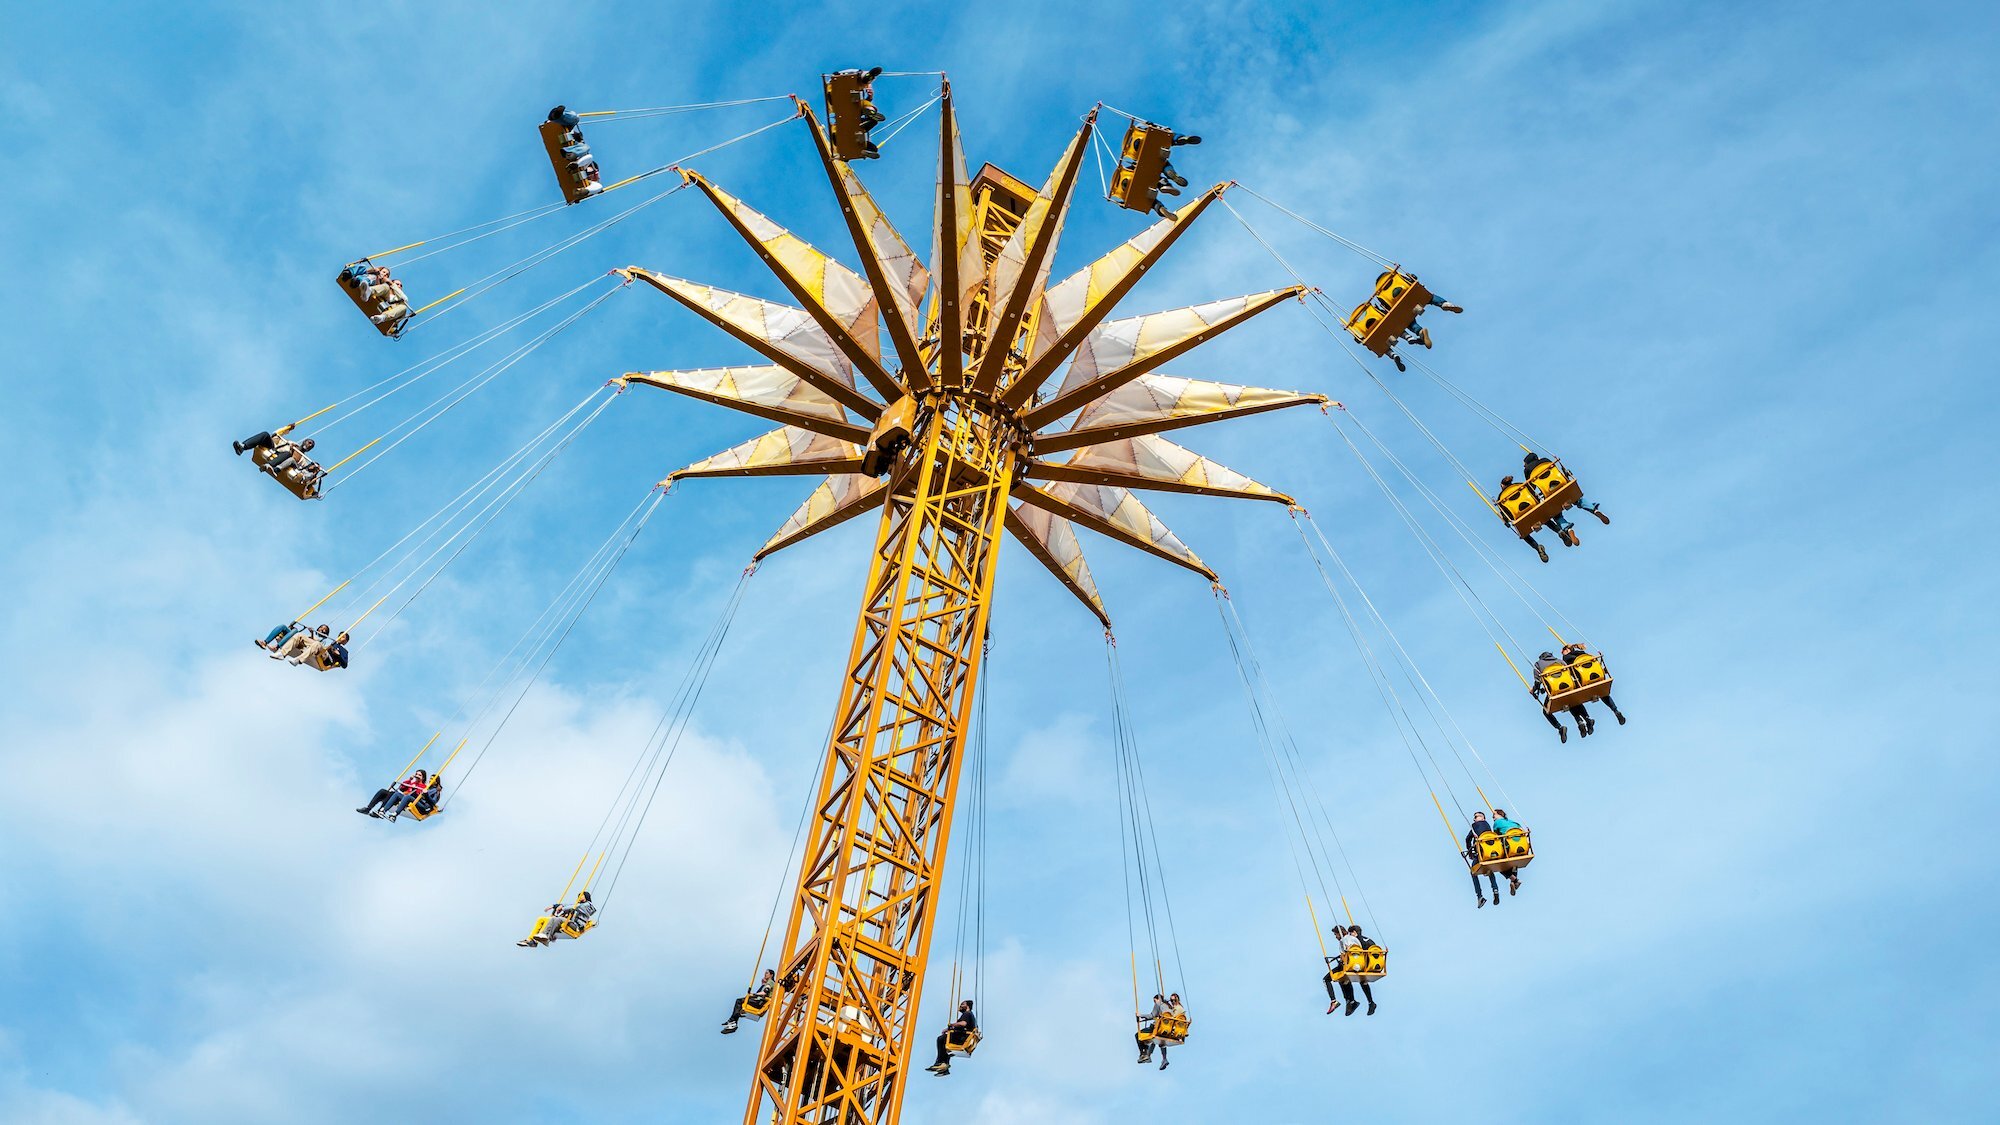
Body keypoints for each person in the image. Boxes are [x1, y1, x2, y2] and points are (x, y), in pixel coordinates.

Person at [1523, 451, 1610, 527]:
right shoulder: (1545, 460)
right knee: (1577, 499)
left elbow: (1531, 486)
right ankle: (1594, 510)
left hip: (1549, 492)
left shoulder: (1527, 469)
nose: (1524, 466)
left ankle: (1567, 529)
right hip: (1562, 485)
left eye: (1525, 464)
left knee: (1556, 514)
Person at [1561, 642, 1626, 726]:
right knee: (1603, 693)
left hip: (1582, 681)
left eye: (1562, 651)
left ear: (1567, 650)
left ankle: (1584, 720)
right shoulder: (1584, 654)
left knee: (1572, 698)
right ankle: (1616, 711)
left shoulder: (1566, 657)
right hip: (1595, 677)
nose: (1562, 653)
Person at [1531, 649, 1588, 740]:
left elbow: (1538, 681)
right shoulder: (1560, 661)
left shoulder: (1538, 664)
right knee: (1573, 701)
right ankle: (1585, 719)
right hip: (1568, 687)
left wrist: (1534, 690)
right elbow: (1570, 673)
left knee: (1546, 711)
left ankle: (1560, 727)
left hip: (1554, 692)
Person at [1324, 925, 1378, 1016]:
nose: (1335, 937)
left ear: (1339, 933)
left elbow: (1344, 955)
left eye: (1335, 934)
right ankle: (1359, 1002)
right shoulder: (1356, 939)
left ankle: (1335, 1001)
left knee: (1328, 979)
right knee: (1355, 979)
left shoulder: (1343, 940)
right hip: (1362, 964)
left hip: (1351, 965)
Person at [519, 891, 596, 947]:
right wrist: (555, 906)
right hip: (569, 922)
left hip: (576, 926)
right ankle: (531, 940)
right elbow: (569, 905)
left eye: (581, 895)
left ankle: (545, 936)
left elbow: (575, 907)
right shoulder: (579, 904)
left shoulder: (588, 906)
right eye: (579, 895)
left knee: (555, 919)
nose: (579, 897)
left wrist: (562, 907)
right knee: (541, 919)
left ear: (586, 896)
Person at [924, 999, 977, 1075]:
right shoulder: (971, 1015)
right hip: (963, 1038)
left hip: (962, 1038)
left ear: (967, 1006)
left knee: (941, 1039)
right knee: (946, 1045)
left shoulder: (967, 1014)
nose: (960, 1006)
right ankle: (944, 1068)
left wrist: (952, 1025)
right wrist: (948, 1029)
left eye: (962, 1004)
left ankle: (941, 1062)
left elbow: (963, 1023)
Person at [721, 969, 778, 1035]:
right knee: (741, 1002)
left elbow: (765, 991)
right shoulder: (769, 983)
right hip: (760, 1002)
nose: (765, 974)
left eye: (767, 973)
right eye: (765, 973)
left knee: (739, 1001)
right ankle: (732, 1022)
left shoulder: (770, 982)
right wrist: (762, 985)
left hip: (759, 1003)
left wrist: (754, 994)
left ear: (771, 975)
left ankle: (733, 1021)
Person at [359, 769, 428, 820]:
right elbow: (402, 788)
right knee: (383, 791)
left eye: (419, 775)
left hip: (407, 799)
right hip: (400, 795)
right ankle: (368, 808)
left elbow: (418, 795)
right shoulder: (412, 783)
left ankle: (381, 810)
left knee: (394, 794)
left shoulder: (423, 786)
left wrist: (413, 788)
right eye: (416, 774)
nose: (417, 776)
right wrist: (409, 780)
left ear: (423, 777)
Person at [1466, 810, 1502, 907]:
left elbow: (1467, 839)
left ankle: (1479, 896)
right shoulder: (1488, 827)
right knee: (1489, 869)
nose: (1474, 819)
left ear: (1483, 818)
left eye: (1476, 816)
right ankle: (1495, 890)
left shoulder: (1475, 826)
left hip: (1482, 854)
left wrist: (1470, 852)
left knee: (1473, 871)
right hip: (1492, 853)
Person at [1490, 808, 1525, 896]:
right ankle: (1514, 882)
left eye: (1494, 815)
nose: (1493, 818)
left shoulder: (1497, 823)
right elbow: (1522, 830)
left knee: (1499, 864)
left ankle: (1514, 880)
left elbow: (1496, 836)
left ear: (1499, 814)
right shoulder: (1514, 822)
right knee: (1514, 862)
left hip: (1508, 848)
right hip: (1521, 846)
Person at [1135, 993, 1165, 1065]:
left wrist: (1140, 1015)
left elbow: (1152, 1015)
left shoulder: (1158, 1004)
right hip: (1165, 1028)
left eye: (1154, 1001)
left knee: (1138, 1035)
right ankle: (1147, 1054)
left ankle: (1144, 1053)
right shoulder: (1168, 1006)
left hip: (1157, 1028)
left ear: (1157, 999)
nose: (1154, 1003)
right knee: (1152, 1040)